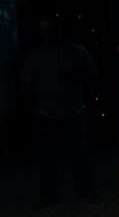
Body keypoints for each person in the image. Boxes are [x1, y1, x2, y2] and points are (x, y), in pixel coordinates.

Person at [19, 16, 98, 206]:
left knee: (69, 156)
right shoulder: (42, 54)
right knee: (55, 157)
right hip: (52, 112)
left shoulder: (69, 53)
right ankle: (61, 194)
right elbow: (26, 82)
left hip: (66, 111)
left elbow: (90, 76)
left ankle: (67, 193)